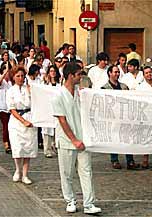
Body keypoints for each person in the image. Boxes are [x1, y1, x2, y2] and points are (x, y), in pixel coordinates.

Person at [52, 62, 101, 214]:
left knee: (86, 171)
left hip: (83, 139)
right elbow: (62, 120)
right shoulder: (58, 95)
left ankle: (89, 204)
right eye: (79, 74)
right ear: (70, 75)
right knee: (67, 173)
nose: (81, 77)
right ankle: (70, 200)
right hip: (67, 141)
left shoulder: (81, 93)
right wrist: (74, 140)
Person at [102, 65, 140, 170]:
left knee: (127, 138)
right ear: (109, 73)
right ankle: (114, 160)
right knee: (114, 138)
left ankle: (130, 161)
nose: (117, 74)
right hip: (112, 117)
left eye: (118, 72)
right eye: (115, 72)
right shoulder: (104, 88)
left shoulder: (124, 87)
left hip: (124, 117)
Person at [6, 66, 38, 185]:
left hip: (29, 117)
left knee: (28, 147)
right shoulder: (10, 91)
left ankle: (25, 174)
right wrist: (22, 121)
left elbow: (36, 102)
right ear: (13, 77)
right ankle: (18, 170)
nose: (20, 78)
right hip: (16, 120)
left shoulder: (28, 88)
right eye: (18, 76)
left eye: (22, 76)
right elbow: (12, 109)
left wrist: (31, 92)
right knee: (17, 146)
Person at [42, 65, 61, 158]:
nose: (53, 73)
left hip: (56, 109)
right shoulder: (45, 85)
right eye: (51, 71)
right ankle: (47, 149)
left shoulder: (59, 85)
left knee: (57, 129)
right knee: (47, 130)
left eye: (54, 71)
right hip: (47, 110)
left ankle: (56, 146)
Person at [0, 62, 13, 154]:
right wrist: (5, 72)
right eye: (5, 70)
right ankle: (6, 144)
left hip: (11, 106)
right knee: (5, 126)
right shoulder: (1, 80)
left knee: (11, 126)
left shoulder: (11, 81)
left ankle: (12, 142)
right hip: (3, 106)